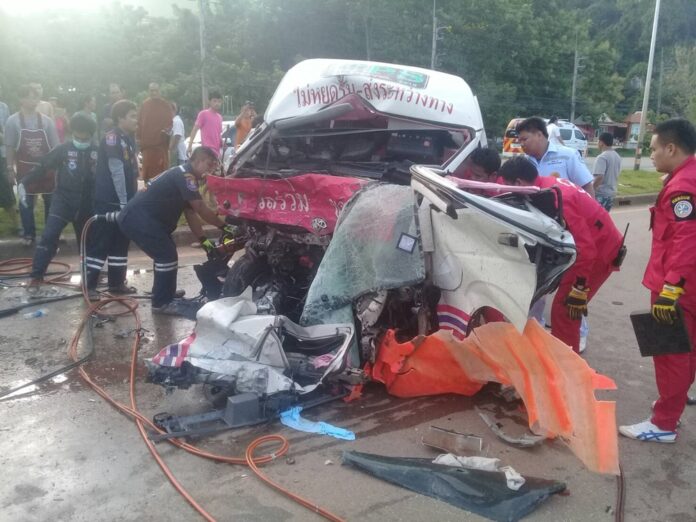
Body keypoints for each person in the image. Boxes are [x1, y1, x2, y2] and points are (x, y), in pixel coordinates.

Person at [619, 118, 696, 444]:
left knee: (670, 355)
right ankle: (671, 406)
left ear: (671, 148)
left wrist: (670, 289)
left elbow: (687, 239)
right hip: (686, 285)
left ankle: (663, 423)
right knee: (686, 352)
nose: (651, 155)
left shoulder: (682, 187)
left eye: (652, 149)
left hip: (677, 287)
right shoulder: (687, 177)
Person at [499, 156, 624, 353]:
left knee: (566, 311)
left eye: (508, 186)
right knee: (562, 310)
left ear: (519, 183)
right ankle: (562, 360)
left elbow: (586, 248)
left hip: (599, 253)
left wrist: (579, 288)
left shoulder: (557, 198)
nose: (506, 191)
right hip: (590, 247)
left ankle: (566, 369)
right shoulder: (543, 185)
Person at [117, 146, 233, 315]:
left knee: (166, 255)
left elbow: (191, 213)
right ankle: (161, 303)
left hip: (143, 219)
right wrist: (224, 227)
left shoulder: (184, 174)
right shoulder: (186, 176)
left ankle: (166, 294)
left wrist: (204, 242)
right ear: (198, 160)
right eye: (209, 164)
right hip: (139, 218)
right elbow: (200, 207)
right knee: (166, 255)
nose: (210, 170)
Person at [18, 114, 98, 283]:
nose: (80, 141)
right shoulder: (63, 149)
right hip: (63, 200)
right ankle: (36, 276)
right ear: (72, 134)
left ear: (91, 136)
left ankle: (89, 282)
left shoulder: (98, 152)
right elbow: (42, 166)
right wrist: (24, 183)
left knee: (87, 244)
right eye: (77, 137)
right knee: (49, 236)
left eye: (84, 138)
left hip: (87, 203)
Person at [85, 100, 139, 296]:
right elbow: (116, 172)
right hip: (110, 201)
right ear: (120, 118)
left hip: (124, 201)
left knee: (120, 242)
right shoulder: (112, 139)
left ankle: (116, 283)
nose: (137, 120)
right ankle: (89, 285)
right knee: (102, 242)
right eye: (132, 116)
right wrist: (124, 202)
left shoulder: (127, 138)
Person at [5, 84, 60, 245]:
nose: (33, 100)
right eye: (29, 96)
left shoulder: (47, 121)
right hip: (24, 167)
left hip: (46, 167)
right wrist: (9, 168)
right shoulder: (12, 121)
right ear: (21, 99)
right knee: (25, 202)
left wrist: (56, 168)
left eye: (36, 96)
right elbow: (10, 147)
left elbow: (56, 146)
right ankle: (29, 234)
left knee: (50, 201)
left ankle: (50, 234)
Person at [516, 116, 595, 197]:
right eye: (519, 141)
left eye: (524, 139)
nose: (521, 144)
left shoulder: (568, 155)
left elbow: (586, 186)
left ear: (539, 135)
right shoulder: (524, 162)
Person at [137, 82, 173, 180]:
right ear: (148, 91)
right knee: (147, 176)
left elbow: (170, 123)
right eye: (151, 91)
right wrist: (139, 138)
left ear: (159, 91)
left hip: (160, 147)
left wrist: (164, 133)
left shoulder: (165, 105)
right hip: (147, 147)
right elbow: (140, 123)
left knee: (161, 176)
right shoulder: (145, 105)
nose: (154, 93)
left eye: (156, 90)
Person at [0, 84, 18, 234]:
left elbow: (7, 130)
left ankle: (17, 225)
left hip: (2, 153)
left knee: (6, 189)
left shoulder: (3, 107)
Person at [592, 132, 622, 211]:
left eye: (598, 141)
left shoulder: (602, 157)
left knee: (594, 220)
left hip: (601, 194)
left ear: (601, 143)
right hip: (611, 194)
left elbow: (599, 177)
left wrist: (591, 190)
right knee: (603, 219)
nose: (597, 143)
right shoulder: (617, 156)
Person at [187, 91, 223, 157]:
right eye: (214, 101)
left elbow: (218, 134)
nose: (217, 103)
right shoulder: (203, 114)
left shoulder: (220, 117)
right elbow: (195, 129)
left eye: (219, 101)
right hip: (207, 151)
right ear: (209, 102)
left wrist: (222, 143)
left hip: (217, 152)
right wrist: (190, 146)